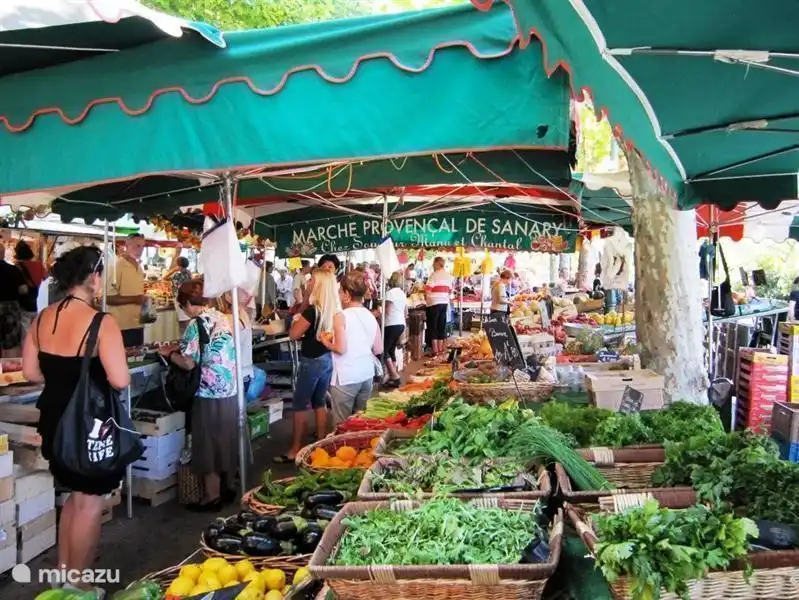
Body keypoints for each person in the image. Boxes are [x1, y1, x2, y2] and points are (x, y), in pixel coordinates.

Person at [21, 246, 130, 592]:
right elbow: (120, 380)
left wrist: (62, 378)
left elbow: (30, 372)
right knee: (89, 503)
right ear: (94, 278)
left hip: (54, 419)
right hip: (88, 424)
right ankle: (79, 587)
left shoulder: (42, 318)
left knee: (72, 497)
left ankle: (66, 578)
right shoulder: (102, 322)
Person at [161, 280, 241, 511]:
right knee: (225, 439)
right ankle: (229, 486)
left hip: (207, 391)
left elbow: (188, 363)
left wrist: (170, 353)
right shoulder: (222, 317)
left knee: (207, 444)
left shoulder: (196, 324)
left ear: (186, 303)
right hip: (228, 388)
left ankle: (211, 497)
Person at [275, 270, 342, 463]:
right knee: (319, 401)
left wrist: (303, 304)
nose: (309, 282)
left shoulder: (312, 311)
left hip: (311, 360)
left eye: (312, 280)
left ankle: (296, 449)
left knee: (300, 404)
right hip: (326, 359)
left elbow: (293, 334)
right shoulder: (333, 310)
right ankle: (320, 442)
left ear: (318, 285)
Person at [323, 271, 382, 426]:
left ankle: (343, 450)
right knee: (361, 423)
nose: (339, 296)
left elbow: (341, 349)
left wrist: (325, 341)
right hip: (366, 375)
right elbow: (378, 348)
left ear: (347, 294)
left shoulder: (340, 316)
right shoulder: (370, 315)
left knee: (341, 426)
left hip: (346, 377)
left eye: (341, 292)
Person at [218, 287, 267, 405]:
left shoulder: (230, 319)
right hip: (244, 374)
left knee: (231, 417)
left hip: (233, 377)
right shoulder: (241, 313)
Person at [107, 234, 147, 347]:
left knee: (137, 360)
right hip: (122, 326)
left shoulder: (138, 267)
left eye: (143, 246)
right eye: (137, 246)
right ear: (127, 245)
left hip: (138, 323)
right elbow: (108, 298)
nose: (141, 250)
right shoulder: (117, 266)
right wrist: (136, 299)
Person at [424, 256, 453, 356]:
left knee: (433, 326)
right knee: (441, 325)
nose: (432, 265)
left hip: (433, 303)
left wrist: (426, 296)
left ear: (437, 264)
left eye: (433, 263)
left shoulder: (434, 275)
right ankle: (440, 349)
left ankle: (435, 350)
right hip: (444, 302)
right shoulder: (448, 276)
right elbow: (450, 291)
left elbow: (427, 289)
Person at [383, 271, 407, 387]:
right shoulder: (402, 293)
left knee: (383, 350)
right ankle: (393, 374)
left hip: (391, 323)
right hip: (400, 323)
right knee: (391, 350)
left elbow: (387, 310)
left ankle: (394, 375)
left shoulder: (390, 293)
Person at [15, 240, 45, 332]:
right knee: (35, 329)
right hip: (37, 301)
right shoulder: (39, 265)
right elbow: (46, 277)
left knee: (25, 329)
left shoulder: (17, 266)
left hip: (23, 302)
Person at [163, 248, 193, 335]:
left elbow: (164, 277)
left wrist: (174, 270)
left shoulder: (177, 274)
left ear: (178, 265)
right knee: (186, 319)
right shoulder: (188, 273)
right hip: (186, 298)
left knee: (183, 322)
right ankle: (187, 339)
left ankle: (184, 340)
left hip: (179, 298)